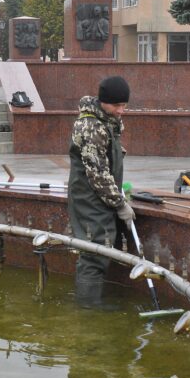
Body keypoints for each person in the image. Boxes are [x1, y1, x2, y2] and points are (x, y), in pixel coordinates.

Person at [67, 75, 134, 307]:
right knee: (94, 250)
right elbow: (97, 173)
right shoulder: (92, 126)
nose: (121, 110)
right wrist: (119, 203)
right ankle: (88, 307)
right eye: (117, 105)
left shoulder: (107, 120)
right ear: (104, 101)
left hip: (100, 195)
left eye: (124, 105)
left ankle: (96, 298)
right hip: (89, 197)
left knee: (104, 246)